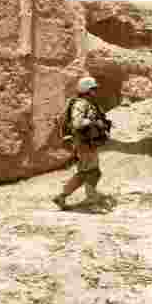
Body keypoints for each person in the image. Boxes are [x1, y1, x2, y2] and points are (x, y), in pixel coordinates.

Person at [53, 77, 110, 210]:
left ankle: (62, 196)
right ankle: (90, 199)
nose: (95, 92)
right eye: (93, 89)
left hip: (88, 143)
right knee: (92, 172)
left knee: (86, 172)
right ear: (86, 90)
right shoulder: (81, 104)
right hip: (84, 144)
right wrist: (94, 122)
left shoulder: (87, 103)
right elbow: (77, 123)